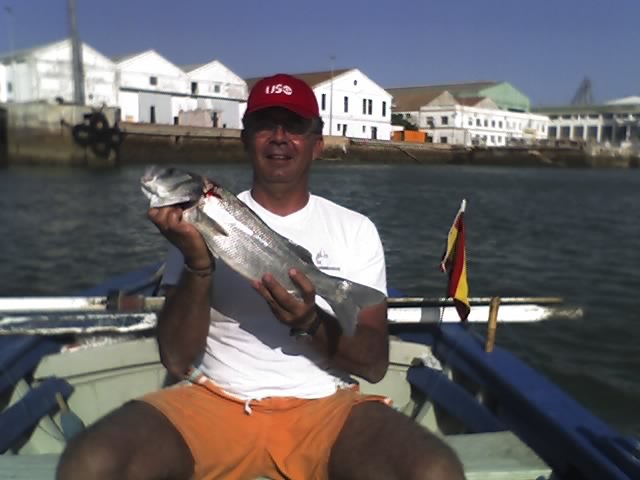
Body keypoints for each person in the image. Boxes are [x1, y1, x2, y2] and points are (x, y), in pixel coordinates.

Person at [56, 74, 465, 480]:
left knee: (435, 471)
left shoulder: (355, 229)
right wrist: (198, 263)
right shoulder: (193, 221)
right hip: (215, 400)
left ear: (317, 144)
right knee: (91, 464)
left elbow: (374, 365)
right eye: (265, 124)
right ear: (245, 139)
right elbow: (178, 359)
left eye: (296, 127)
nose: (280, 137)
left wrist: (309, 323)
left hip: (326, 408)